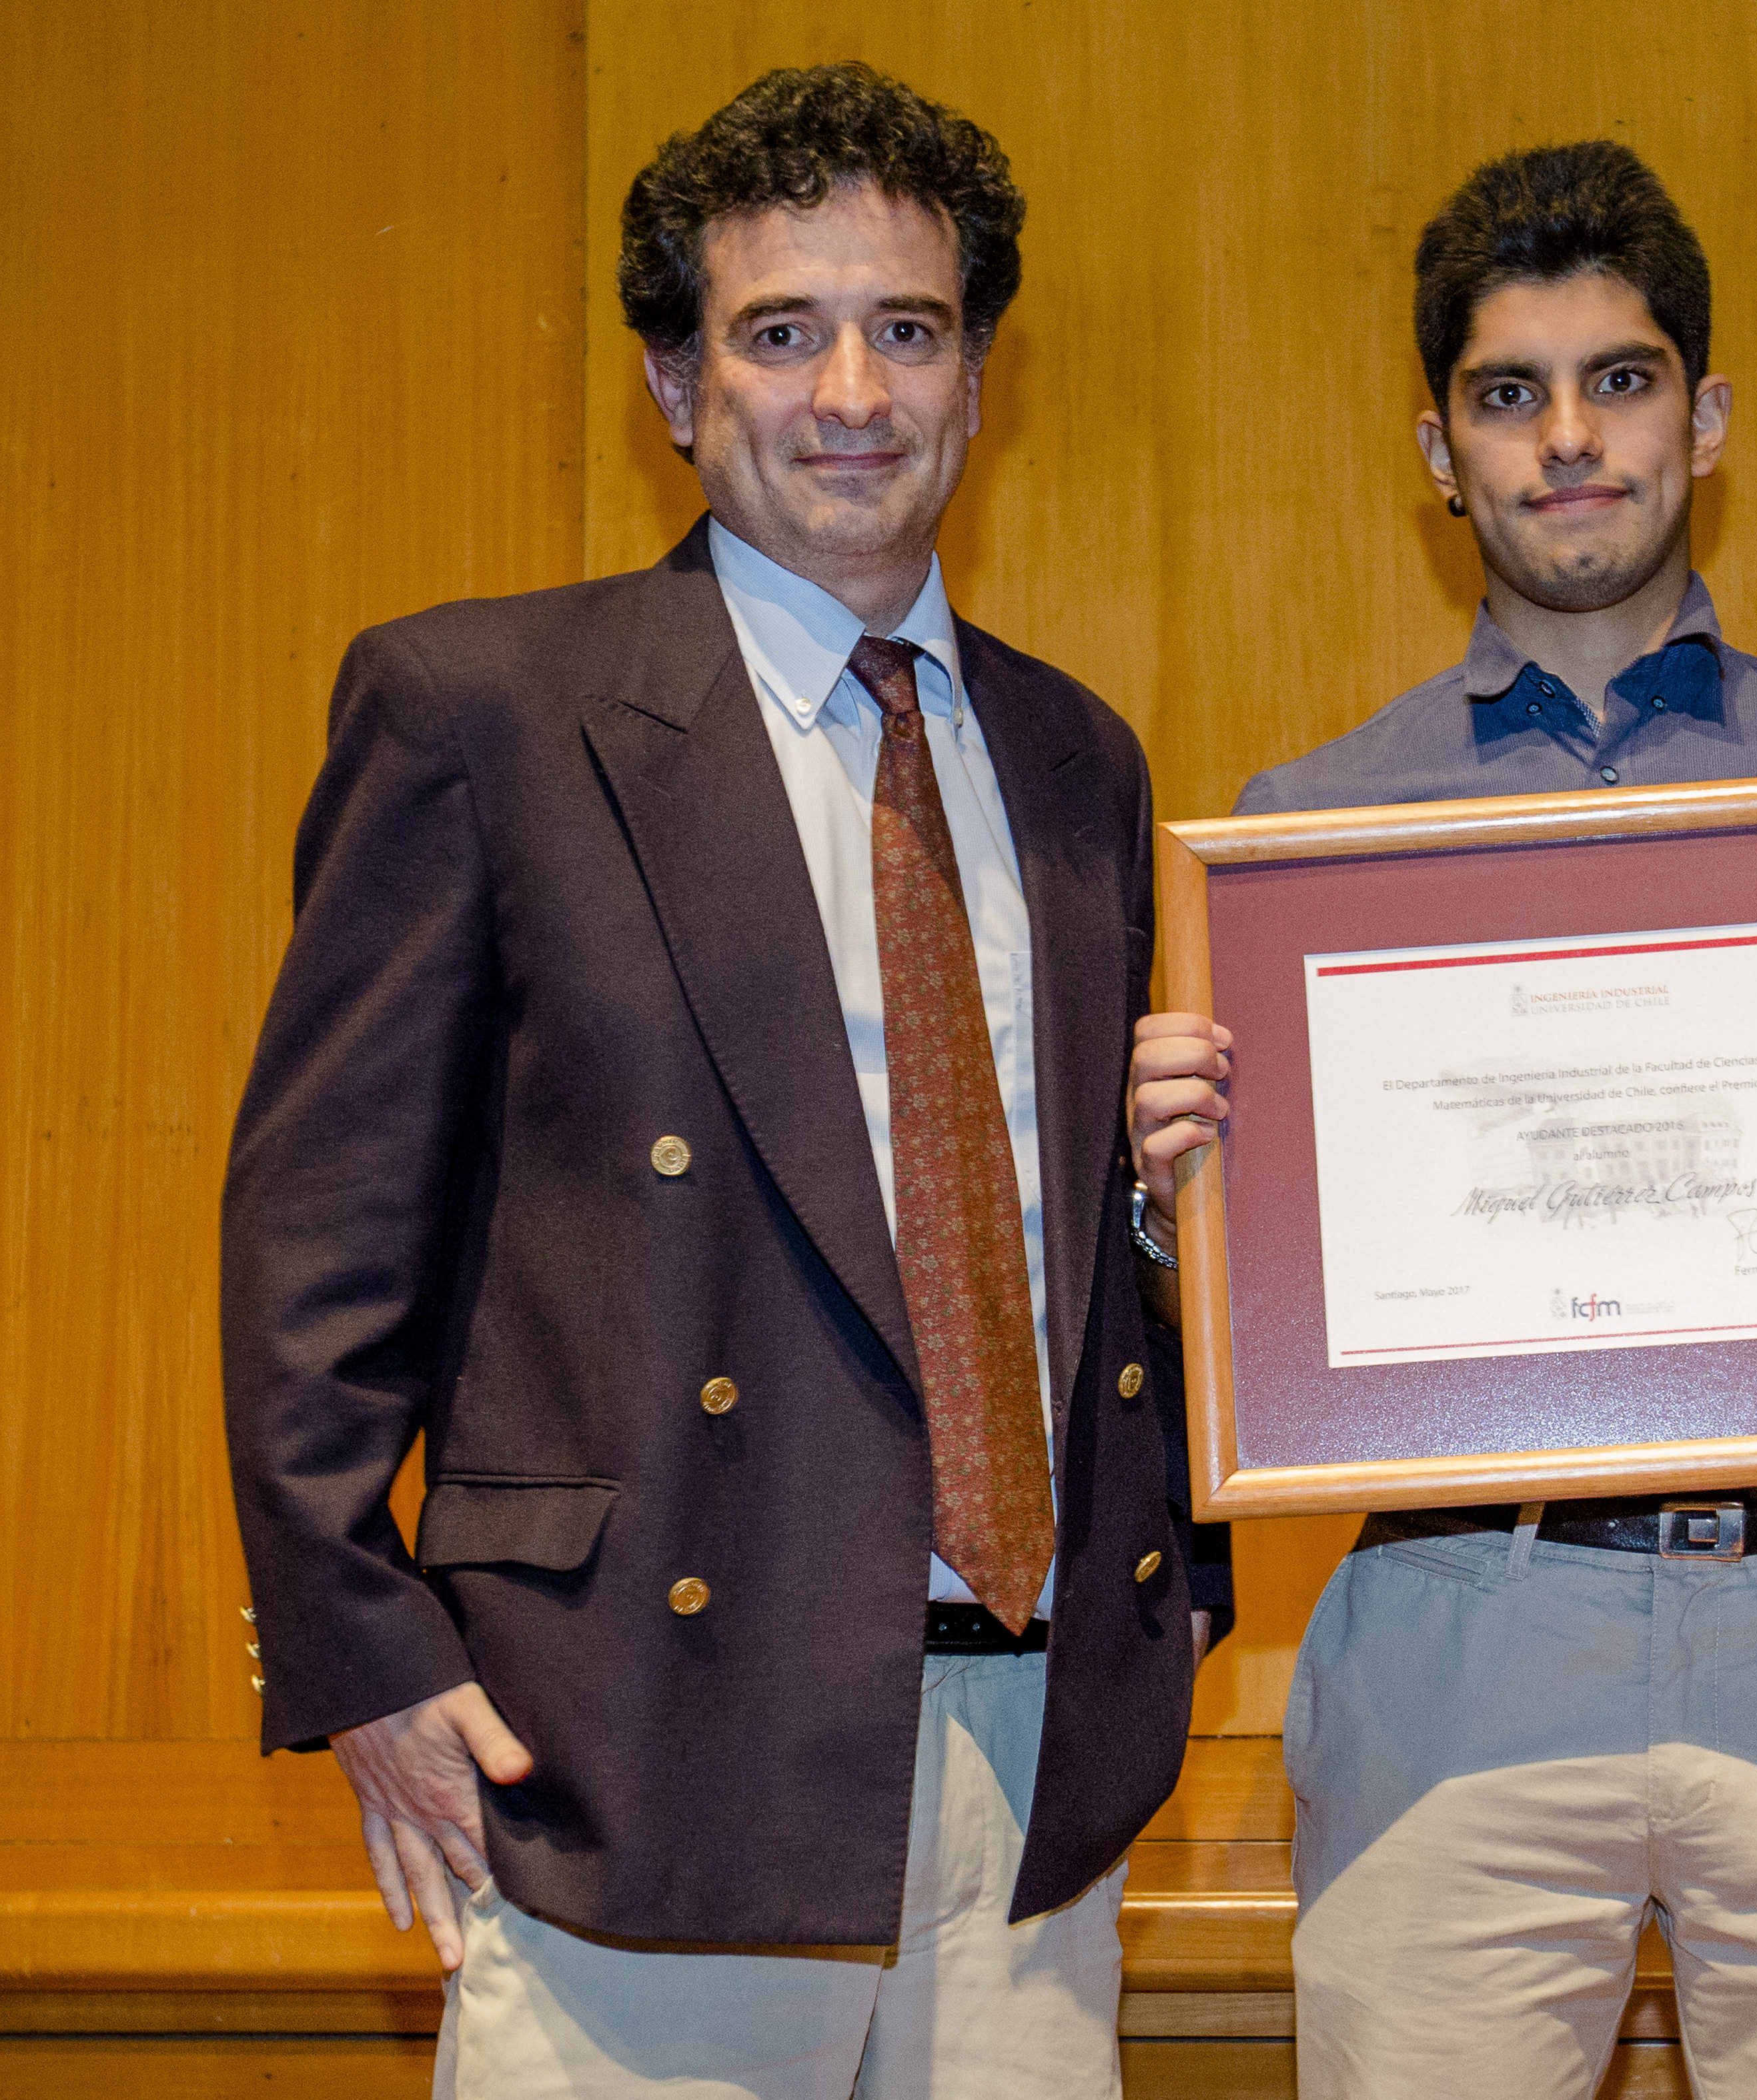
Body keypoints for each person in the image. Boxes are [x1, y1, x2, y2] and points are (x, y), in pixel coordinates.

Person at [223, 63, 1225, 2099]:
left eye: (907, 330)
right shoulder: (484, 715)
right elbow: (320, 1242)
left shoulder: (1078, 760)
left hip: (1034, 1761)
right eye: (781, 333)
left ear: (976, 380)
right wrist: (363, 1649)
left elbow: (1084, 1232)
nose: (851, 391)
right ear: (676, 385)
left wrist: (1181, 1566)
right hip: (638, 1753)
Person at [1129, 141, 1757, 2100]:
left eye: (1621, 380)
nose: (1570, 438)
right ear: (1440, 451)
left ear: (1707, 417)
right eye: (1509, 394)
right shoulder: (1300, 837)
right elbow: (1234, 1328)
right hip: (1456, 1627)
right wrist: (1181, 1203)